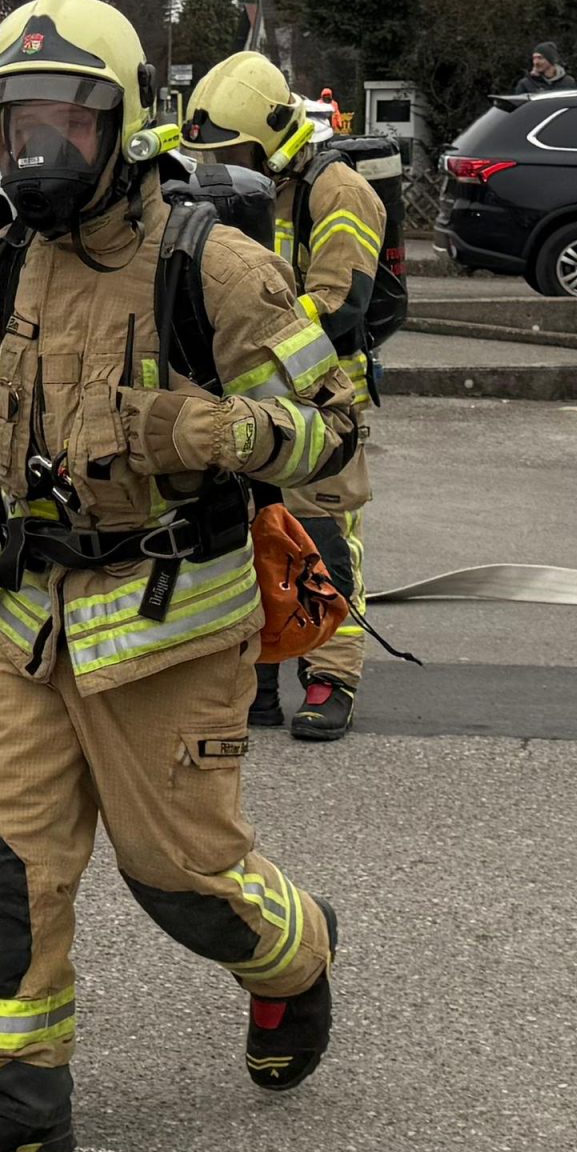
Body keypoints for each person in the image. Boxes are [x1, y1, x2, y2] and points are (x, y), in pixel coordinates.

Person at [0, 0, 354, 1152]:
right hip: (24, 624)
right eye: (14, 126)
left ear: (125, 127)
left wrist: (206, 429)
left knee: (184, 888)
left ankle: (296, 957)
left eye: (64, 122)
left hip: (166, 631)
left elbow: (338, 433)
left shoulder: (213, 267)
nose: (36, 151)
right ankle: (20, 1094)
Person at [181, 53, 388, 741]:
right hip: (251, 397)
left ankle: (332, 676)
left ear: (271, 139)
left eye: (235, 152)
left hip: (323, 395)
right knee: (249, 532)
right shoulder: (241, 191)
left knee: (322, 539)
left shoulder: (339, 192)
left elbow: (340, 304)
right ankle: (260, 676)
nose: (223, 168)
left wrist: (250, 330)